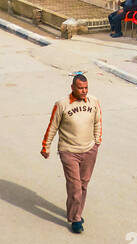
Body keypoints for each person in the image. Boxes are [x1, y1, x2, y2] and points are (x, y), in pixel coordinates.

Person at [40, 72, 103, 233]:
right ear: (72, 87)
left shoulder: (94, 101)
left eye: (86, 88)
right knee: (75, 186)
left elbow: (98, 121)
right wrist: (46, 146)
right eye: (80, 88)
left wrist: (97, 141)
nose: (84, 91)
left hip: (89, 150)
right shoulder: (61, 104)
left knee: (83, 184)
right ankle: (75, 220)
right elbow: (52, 126)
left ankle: (76, 212)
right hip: (68, 151)